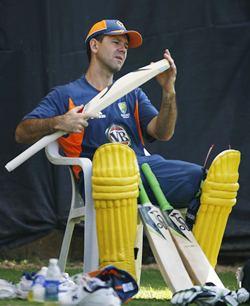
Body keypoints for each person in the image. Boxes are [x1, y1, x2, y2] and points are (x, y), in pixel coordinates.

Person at [15, 19, 204, 210]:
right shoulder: (66, 95)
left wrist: (168, 90)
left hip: (143, 170)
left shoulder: (132, 92)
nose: (123, 49)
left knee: (205, 180)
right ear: (94, 45)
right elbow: (21, 133)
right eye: (116, 42)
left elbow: (163, 133)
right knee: (117, 177)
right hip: (101, 179)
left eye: (126, 46)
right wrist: (58, 122)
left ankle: (190, 234)